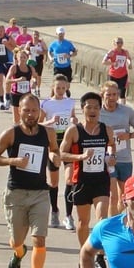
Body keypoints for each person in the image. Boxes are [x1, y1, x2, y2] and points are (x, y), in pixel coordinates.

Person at [0, 93, 60, 268]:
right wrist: (13, 161)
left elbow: (54, 150)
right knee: (17, 240)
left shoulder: (48, 133)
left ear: (40, 112)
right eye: (26, 110)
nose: (30, 114)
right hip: (16, 194)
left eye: (34, 111)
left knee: (40, 239)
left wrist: (55, 157)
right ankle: (19, 252)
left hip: (40, 193)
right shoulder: (11, 133)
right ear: (19, 110)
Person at [60, 91, 116, 268]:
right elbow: (62, 154)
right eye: (88, 107)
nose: (92, 111)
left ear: (100, 110)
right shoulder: (74, 130)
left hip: (101, 180)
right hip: (81, 181)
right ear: (82, 109)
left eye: (96, 107)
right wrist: (80, 157)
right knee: (83, 222)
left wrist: (111, 157)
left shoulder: (106, 129)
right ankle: (85, 255)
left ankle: (99, 257)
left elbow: (111, 147)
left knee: (102, 221)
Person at [99, 81, 134, 217]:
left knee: (124, 198)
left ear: (118, 95)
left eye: (114, 94)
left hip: (125, 159)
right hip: (107, 159)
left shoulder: (126, 111)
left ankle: (113, 218)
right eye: (108, 95)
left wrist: (129, 135)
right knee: (112, 196)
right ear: (102, 95)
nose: (111, 98)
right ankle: (111, 226)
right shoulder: (98, 113)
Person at [40, 74, 78, 230]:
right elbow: (39, 123)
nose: (61, 91)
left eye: (63, 88)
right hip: (53, 143)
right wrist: (50, 122)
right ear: (53, 88)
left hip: (67, 142)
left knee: (70, 180)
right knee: (54, 182)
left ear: (67, 88)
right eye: (58, 88)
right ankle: (54, 210)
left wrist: (74, 121)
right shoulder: (46, 104)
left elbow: (73, 117)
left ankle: (69, 216)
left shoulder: (70, 102)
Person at [5, 48, 38, 124]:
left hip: (26, 96)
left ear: (27, 58)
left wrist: (34, 82)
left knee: (26, 116)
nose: (22, 59)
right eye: (21, 57)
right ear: (17, 58)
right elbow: (7, 81)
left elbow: (35, 77)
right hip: (16, 95)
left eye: (24, 57)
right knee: (16, 119)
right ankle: (17, 133)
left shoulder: (30, 68)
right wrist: (17, 80)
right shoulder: (14, 68)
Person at [102, 37, 132, 104]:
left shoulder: (125, 52)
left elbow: (129, 58)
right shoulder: (111, 52)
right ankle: (108, 104)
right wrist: (113, 63)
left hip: (123, 75)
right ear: (114, 43)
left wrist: (130, 64)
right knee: (110, 91)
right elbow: (103, 62)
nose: (120, 44)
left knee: (122, 93)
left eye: (121, 42)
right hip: (113, 75)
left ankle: (122, 108)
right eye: (118, 42)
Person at [0, 24, 16, 110]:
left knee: (8, 81)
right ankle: (1, 102)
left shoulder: (9, 38)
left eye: (1, 31)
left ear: (4, 31)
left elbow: (15, 49)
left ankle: (7, 99)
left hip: (8, 62)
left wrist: (6, 45)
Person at [48, 27, 77, 95]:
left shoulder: (68, 43)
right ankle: (53, 94)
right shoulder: (53, 44)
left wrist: (69, 55)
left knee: (67, 82)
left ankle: (66, 89)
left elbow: (75, 52)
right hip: (57, 67)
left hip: (66, 66)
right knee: (56, 81)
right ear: (56, 34)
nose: (60, 35)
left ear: (64, 34)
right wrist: (50, 58)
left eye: (62, 34)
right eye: (59, 34)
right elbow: (49, 52)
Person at [30, 30, 48, 97]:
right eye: (34, 35)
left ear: (38, 36)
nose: (35, 36)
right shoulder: (30, 43)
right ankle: (34, 86)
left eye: (37, 35)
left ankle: (38, 89)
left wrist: (40, 52)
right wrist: (27, 51)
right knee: (33, 75)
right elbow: (25, 49)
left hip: (39, 61)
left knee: (39, 76)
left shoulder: (41, 43)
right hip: (32, 61)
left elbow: (46, 51)